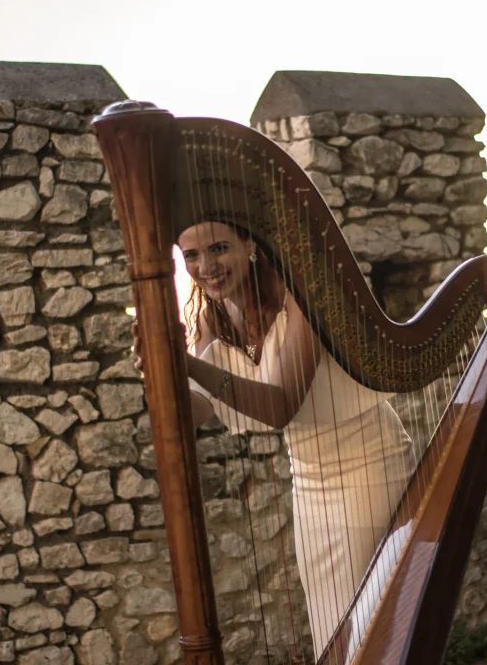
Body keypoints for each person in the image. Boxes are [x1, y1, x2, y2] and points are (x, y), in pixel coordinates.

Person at [132, 220, 416, 660]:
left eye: (218, 248)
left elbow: (281, 405)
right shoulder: (213, 318)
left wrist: (187, 363)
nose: (206, 267)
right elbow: (196, 413)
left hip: (369, 467)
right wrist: (159, 367)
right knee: (331, 628)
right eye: (190, 256)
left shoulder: (305, 298)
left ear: (250, 244)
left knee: (367, 629)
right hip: (309, 482)